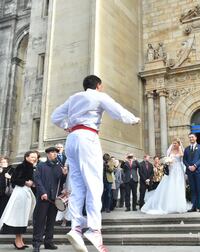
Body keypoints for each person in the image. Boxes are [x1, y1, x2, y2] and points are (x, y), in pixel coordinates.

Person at [51, 75, 140, 252]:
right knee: (94, 184)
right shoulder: (99, 96)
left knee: (77, 184)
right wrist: (134, 120)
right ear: (99, 86)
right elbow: (118, 111)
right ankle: (94, 229)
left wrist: (68, 125)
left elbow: (55, 117)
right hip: (87, 137)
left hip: (72, 138)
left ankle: (76, 227)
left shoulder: (74, 98)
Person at [32, 147, 68, 251]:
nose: (55, 154)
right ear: (47, 154)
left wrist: (64, 175)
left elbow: (60, 182)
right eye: (52, 152)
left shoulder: (58, 167)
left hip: (54, 199)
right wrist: (43, 192)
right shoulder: (41, 166)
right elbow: (37, 180)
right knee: (40, 221)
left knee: (51, 222)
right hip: (43, 198)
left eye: (56, 152)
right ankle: (36, 243)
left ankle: (49, 242)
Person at [0, 151, 37, 249]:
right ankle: (17, 241)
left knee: (23, 217)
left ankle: (20, 240)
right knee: (19, 217)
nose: (34, 159)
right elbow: (14, 179)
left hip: (26, 193)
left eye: (35, 157)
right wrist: (25, 182)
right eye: (32, 157)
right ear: (26, 157)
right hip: (20, 193)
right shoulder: (22, 166)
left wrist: (32, 183)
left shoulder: (30, 166)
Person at [141, 138, 188, 214]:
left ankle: (179, 205)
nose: (174, 144)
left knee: (178, 186)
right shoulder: (170, 151)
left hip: (178, 170)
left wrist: (179, 147)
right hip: (172, 170)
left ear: (178, 144)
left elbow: (182, 155)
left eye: (175, 143)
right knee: (171, 186)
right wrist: (168, 161)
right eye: (173, 143)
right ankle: (169, 205)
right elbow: (168, 158)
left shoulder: (180, 149)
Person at [183, 133, 200, 212]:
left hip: (199, 171)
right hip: (190, 171)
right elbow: (184, 160)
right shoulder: (186, 149)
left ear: (196, 138)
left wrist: (195, 166)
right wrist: (189, 166)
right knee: (193, 189)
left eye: (192, 137)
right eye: (189, 137)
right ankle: (194, 206)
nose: (191, 139)